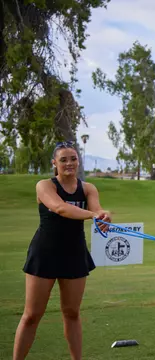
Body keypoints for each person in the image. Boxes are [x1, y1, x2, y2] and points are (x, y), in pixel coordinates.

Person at [13, 141, 111, 360]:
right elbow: (60, 208)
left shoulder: (87, 188)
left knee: (72, 313)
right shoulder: (44, 185)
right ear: (54, 163)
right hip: (45, 253)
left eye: (73, 158)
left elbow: (97, 210)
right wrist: (93, 216)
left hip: (74, 253)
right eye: (63, 159)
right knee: (31, 316)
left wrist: (104, 216)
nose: (69, 163)